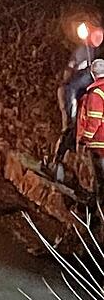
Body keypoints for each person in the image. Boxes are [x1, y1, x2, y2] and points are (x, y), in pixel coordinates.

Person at [52, 27, 104, 170]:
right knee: (69, 128)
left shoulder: (91, 55)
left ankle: (60, 162)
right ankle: (58, 161)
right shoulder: (83, 53)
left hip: (82, 105)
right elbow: (70, 73)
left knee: (72, 129)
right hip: (74, 98)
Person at [77, 59, 104, 188]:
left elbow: (95, 120)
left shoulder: (96, 93)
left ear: (93, 74)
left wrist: (84, 138)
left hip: (100, 144)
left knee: (101, 182)